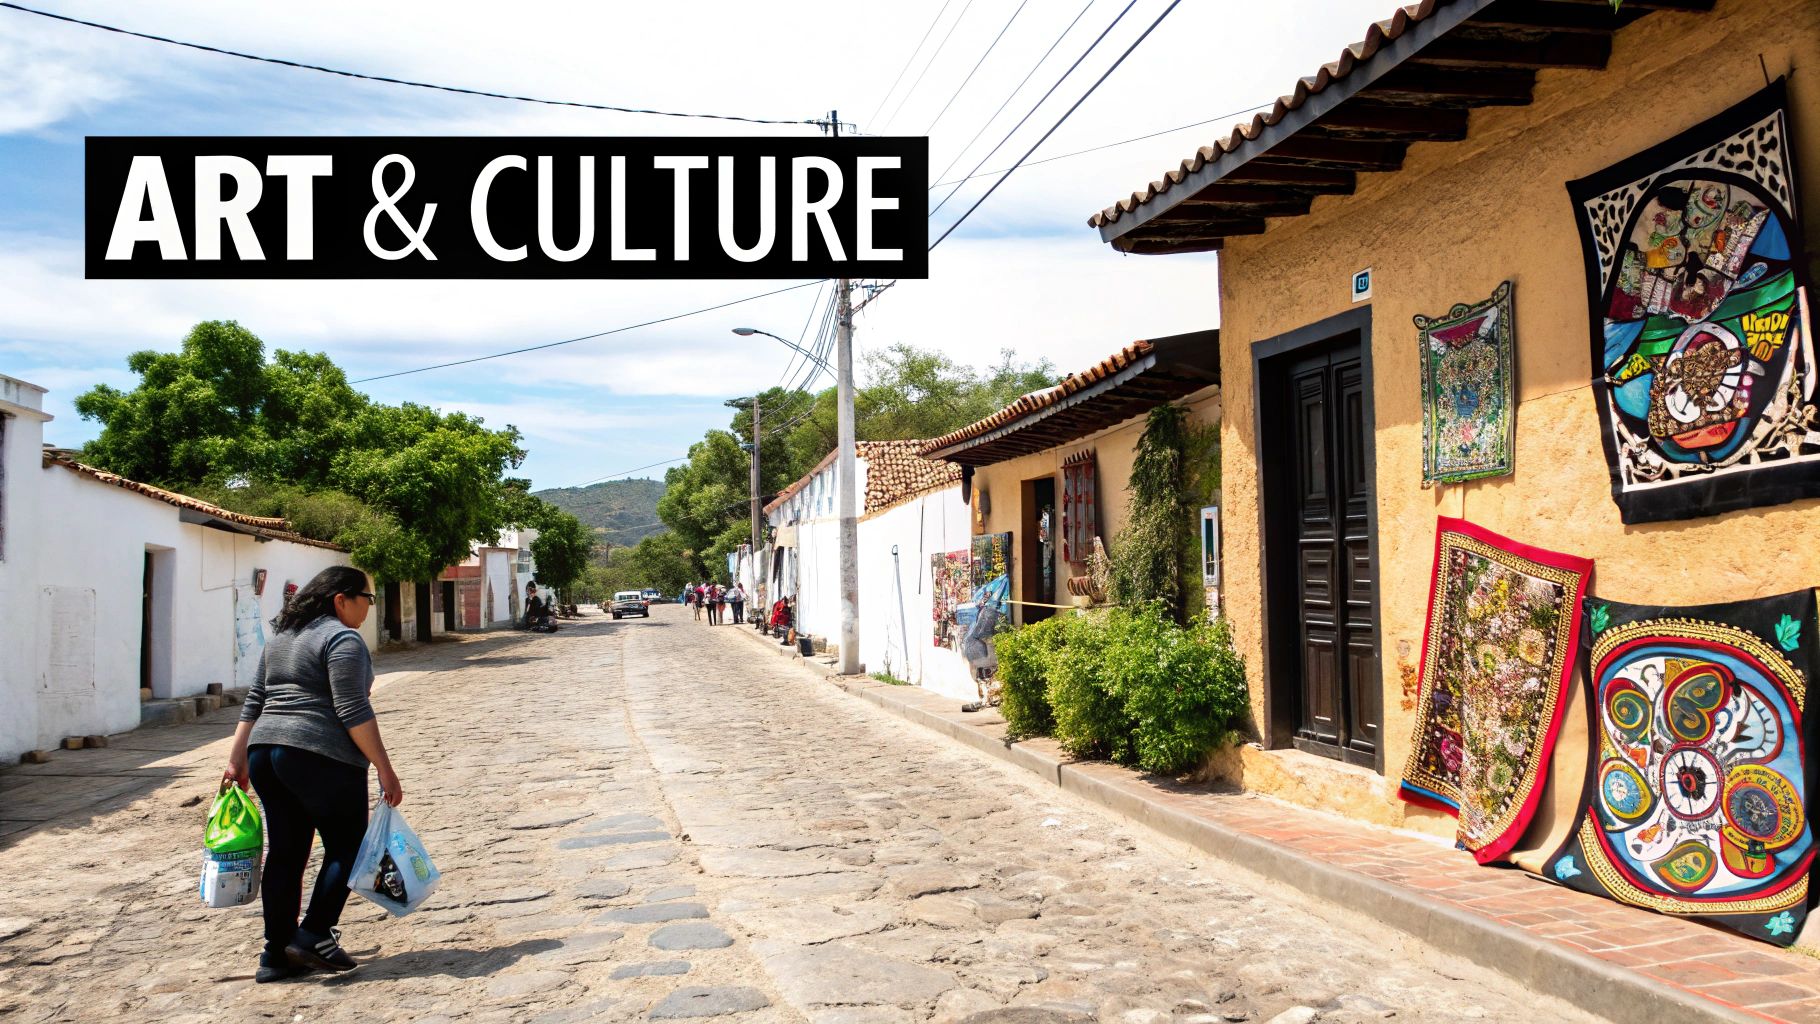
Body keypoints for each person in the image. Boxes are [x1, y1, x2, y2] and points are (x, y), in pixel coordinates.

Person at [225, 566, 402, 984]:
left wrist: (237, 759)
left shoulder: (282, 640)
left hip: (266, 753)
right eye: (368, 599)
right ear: (341, 599)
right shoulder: (342, 638)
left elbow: (255, 700)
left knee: (287, 851)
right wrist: (385, 768)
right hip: (318, 754)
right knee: (348, 846)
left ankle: (276, 954)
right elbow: (352, 710)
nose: (369, 608)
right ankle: (315, 934)